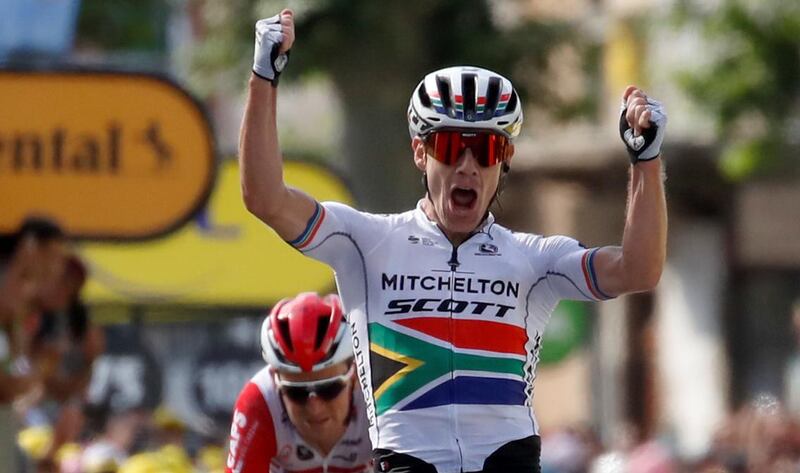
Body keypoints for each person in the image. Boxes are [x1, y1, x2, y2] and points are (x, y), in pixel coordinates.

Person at [240, 9, 667, 473]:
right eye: (449, 148)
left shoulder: (533, 258)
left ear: (505, 160)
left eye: (484, 150)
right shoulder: (365, 242)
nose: (467, 166)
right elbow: (265, 198)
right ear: (421, 154)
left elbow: (638, 270)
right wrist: (264, 76)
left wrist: (645, 161)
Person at [224, 292, 372, 473]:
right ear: (276, 381)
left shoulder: (377, 395)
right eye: (296, 393)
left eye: (329, 389)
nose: (315, 407)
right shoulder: (259, 401)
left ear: (355, 375)